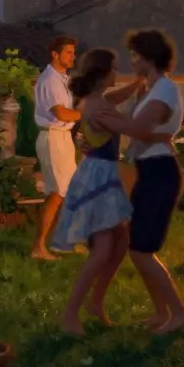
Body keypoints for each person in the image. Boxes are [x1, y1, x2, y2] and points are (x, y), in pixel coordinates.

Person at [95, 28, 184, 334]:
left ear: (150, 57)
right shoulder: (148, 89)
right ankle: (161, 311)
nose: (131, 60)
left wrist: (101, 119)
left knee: (141, 249)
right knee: (136, 246)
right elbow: (120, 111)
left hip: (161, 173)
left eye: (136, 55)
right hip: (148, 171)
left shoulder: (164, 90)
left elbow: (136, 127)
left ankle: (179, 314)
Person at [53, 49, 136, 335]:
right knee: (102, 248)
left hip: (103, 173)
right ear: (102, 74)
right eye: (113, 69)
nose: (117, 74)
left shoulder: (97, 100)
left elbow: (118, 97)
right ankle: (71, 313)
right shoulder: (96, 106)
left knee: (121, 239)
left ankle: (95, 301)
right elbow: (128, 126)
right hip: (98, 177)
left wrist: (140, 83)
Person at [32, 36, 82, 261]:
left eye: (73, 52)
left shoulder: (62, 79)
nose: (73, 56)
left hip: (62, 137)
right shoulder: (50, 80)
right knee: (58, 193)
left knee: (68, 192)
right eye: (69, 52)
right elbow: (61, 113)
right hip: (53, 138)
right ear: (55, 54)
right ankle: (39, 247)